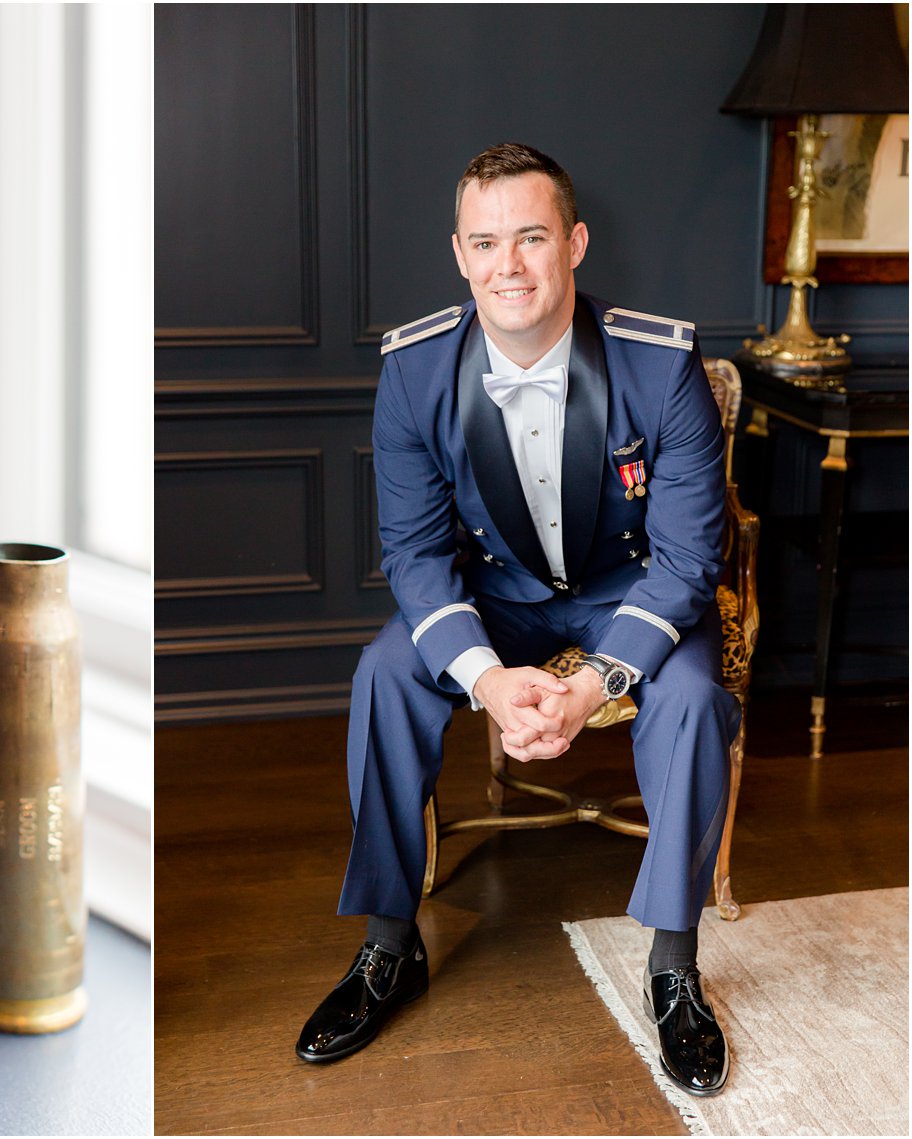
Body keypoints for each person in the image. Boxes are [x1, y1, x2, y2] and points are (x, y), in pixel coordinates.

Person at [293, 142, 739, 1098]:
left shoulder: (660, 365)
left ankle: (672, 964)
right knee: (385, 671)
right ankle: (388, 944)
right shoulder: (416, 372)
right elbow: (413, 554)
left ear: (573, 242)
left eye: (532, 237)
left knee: (696, 692)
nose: (510, 266)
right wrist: (489, 680)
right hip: (495, 596)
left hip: (631, 592)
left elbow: (691, 558)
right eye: (487, 242)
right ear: (460, 255)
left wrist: (594, 683)